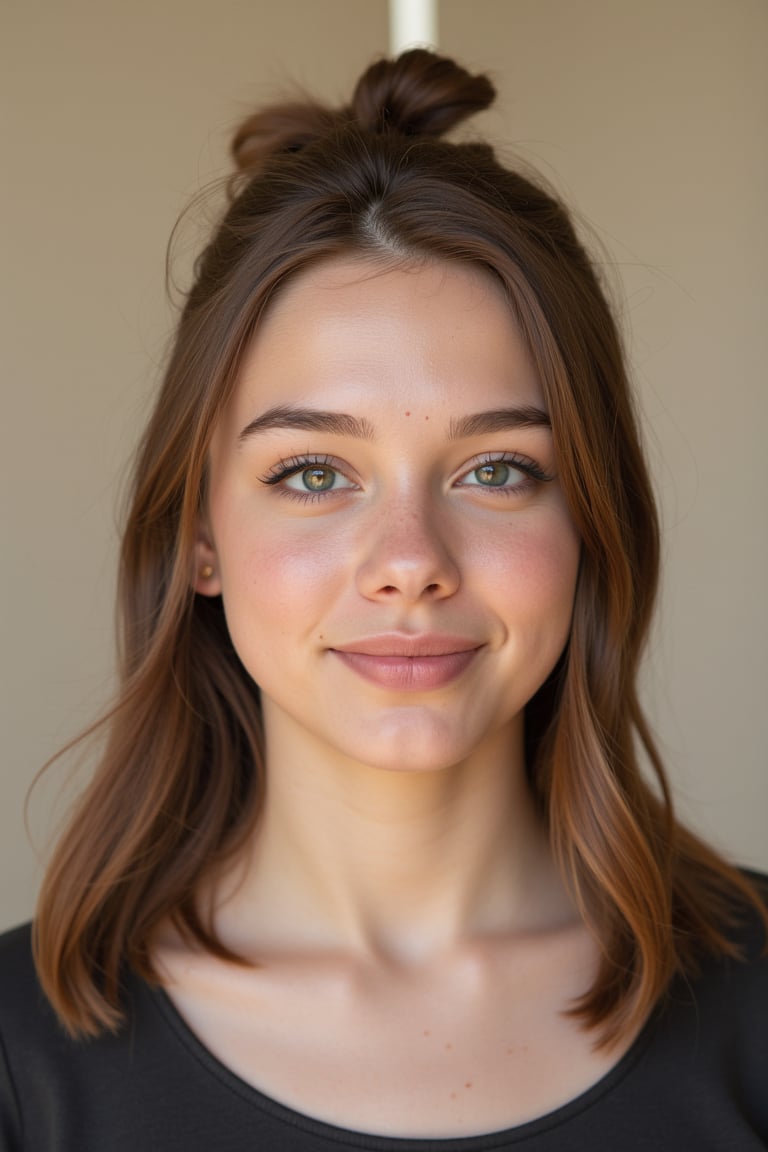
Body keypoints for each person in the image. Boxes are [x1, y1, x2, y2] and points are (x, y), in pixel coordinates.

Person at [0, 49, 765, 1151]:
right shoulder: (24, 1064)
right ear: (200, 535)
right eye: (313, 473)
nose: (410, 562)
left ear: (593, 519)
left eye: (498, 470)